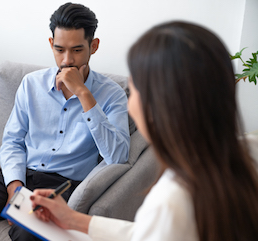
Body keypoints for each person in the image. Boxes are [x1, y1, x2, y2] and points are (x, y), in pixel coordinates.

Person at [30, 21, 258, 241]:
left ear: (160, 104)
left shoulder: (171, 200)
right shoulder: (247, 151)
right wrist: (74, 220)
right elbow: (148, 233)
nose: (130, 98)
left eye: (135, 85)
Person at [0, 2, 130, 241]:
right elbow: (12, 141)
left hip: (62, 187)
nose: (66, 60)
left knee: (28, 234)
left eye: (76, 50)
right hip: (18, 175)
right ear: (51, 44)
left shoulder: (112, 94)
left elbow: (119, 156)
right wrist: (15, 188)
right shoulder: (31, 84)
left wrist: (84, 95)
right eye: (60, 49)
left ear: (93, 47)